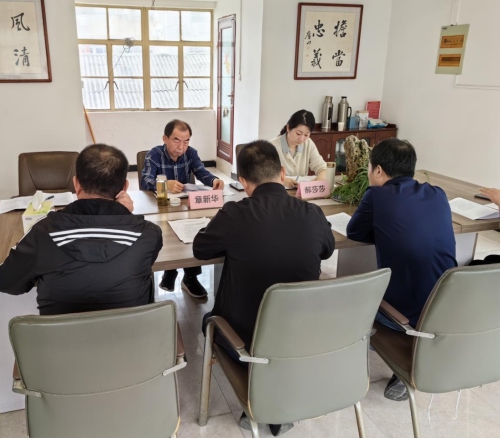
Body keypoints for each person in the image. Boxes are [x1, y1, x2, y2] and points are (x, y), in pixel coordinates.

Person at [193, 140, 335, 436]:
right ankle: (277, 401)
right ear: (282, 173)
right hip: (301, 339)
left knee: (209, 320)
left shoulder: (234, 214)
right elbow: (327, 249)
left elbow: (200, 249)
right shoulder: (311, 213)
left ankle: (259, 401)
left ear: (243, 182)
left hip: (245, 342)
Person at [346, 138, 457, 401]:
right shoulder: (438, 193)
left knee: (348, 296)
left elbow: (354, 232)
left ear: (378, 170)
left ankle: (398, 358)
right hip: (448, 308)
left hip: (404, 317)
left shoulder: (377, 195)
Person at [0, 144, 163, 315]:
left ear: (76, 184)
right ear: (125, 188)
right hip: (131, 331)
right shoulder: (149, 234)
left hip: (61, 333)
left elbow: (6, 282)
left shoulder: (43, 232)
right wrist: (124, 215)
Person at [141, 119, 225, 298]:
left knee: (193, 234)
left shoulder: (191, 153)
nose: (181, 147)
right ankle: (170, 271)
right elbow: (145, 180)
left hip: (185, 205)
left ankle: (189, 277)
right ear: (165, 138)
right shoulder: (154, 154)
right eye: (176, 140)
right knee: (166, 235)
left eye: (186, 141)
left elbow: (202, 172)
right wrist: (164, 184)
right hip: (160, 206)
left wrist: (214, 180)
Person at [270, 109, 327, 188]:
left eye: (306, 135)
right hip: (278, 190)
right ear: (288, 128)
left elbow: (321, 166)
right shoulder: (272, 146)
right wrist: (283, 180)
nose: (302, 139)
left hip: (300, 192)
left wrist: (321, 176)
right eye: (298, 133)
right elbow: (264, 173)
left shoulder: (308, 143)